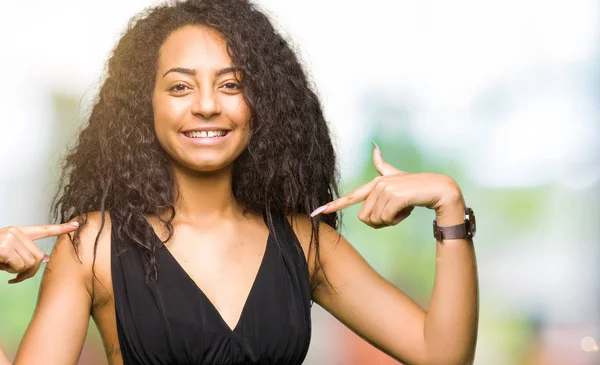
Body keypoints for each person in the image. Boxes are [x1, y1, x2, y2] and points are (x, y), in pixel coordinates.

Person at [0, 0, 479, 364]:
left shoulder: (305, 242)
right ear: (144, 107)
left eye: (231, 85)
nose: (208, 105)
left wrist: (449, 206)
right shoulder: (94, 245)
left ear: (263, 103)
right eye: (181, 86)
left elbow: (441, 354)